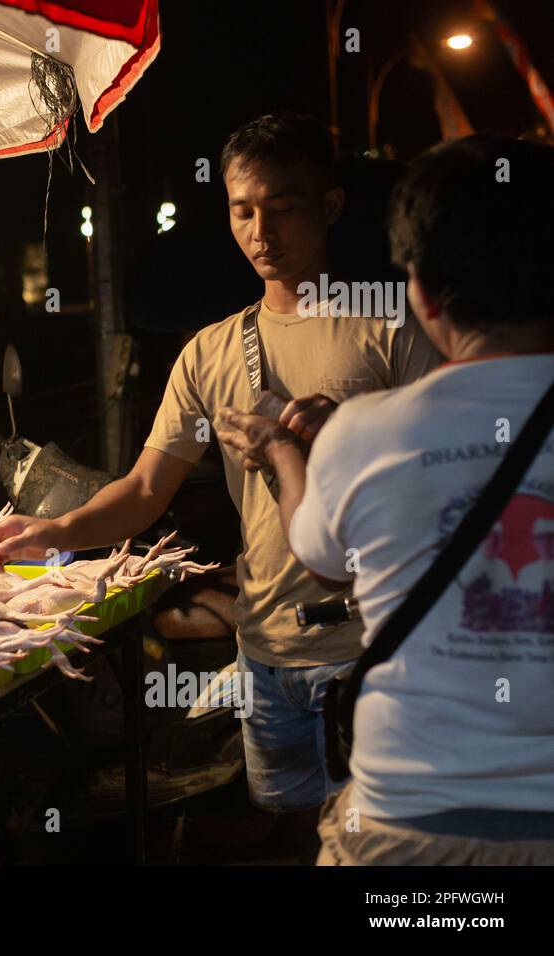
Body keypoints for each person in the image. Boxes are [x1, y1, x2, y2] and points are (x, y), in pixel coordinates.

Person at [0, 114, 440, 854]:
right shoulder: (210, 353)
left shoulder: (390, 329)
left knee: (381, 848)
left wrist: (351, 432)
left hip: (377, 649)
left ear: (330, 206)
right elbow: (145, 490)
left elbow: (444, 480)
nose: (262, 230)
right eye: (242, 209)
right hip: (267, 649)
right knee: (287, 834)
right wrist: (55, 532)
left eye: (284, 206)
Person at [217, 135, 554, 865]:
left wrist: (281, 450)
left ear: (423, 292)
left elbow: (327, 563)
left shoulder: (363, 432)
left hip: (411, 830)